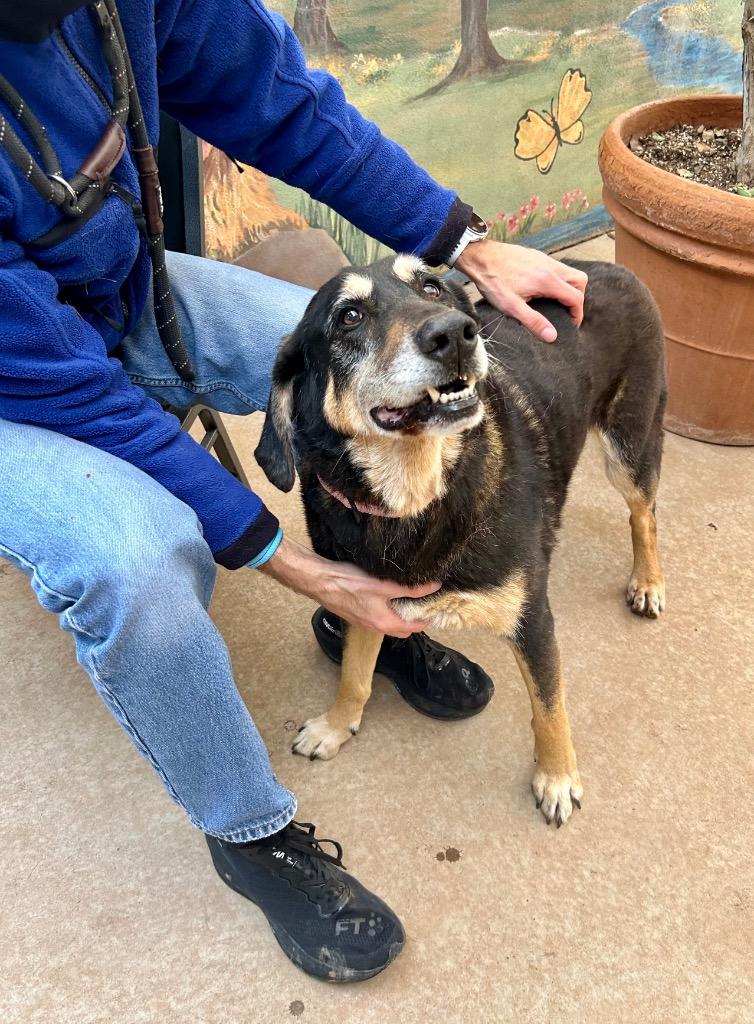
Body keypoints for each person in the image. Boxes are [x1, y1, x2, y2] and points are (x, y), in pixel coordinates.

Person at [0, 0, 587, 982]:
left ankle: (369, 608)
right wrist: (285, 559)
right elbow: (65, 385)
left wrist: (464, 241)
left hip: (116, 295)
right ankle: (249, 832)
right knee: (140, 565)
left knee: (339, 359)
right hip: (18, 382)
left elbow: (275, 98)